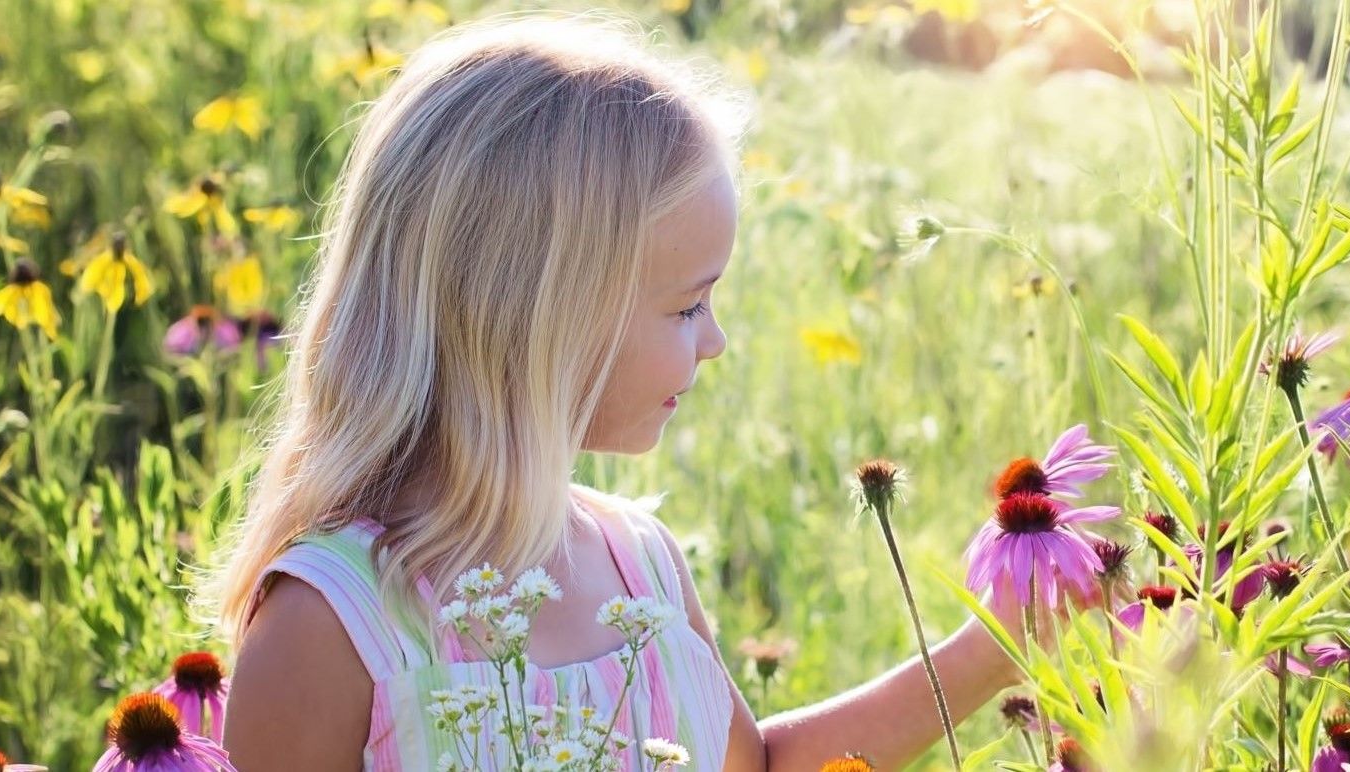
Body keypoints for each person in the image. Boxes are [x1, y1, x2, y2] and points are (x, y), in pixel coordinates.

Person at [200, 13, 1034, 770]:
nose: (716, 341)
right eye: (687, 305)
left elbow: (760, 771)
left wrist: (993, 646)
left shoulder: (641, 566)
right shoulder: (332, 629)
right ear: (535, 320)